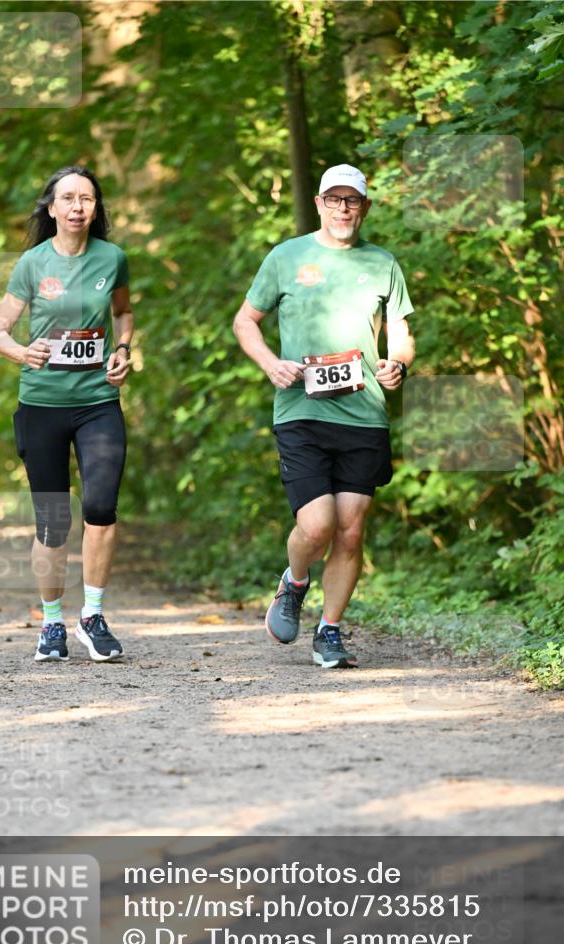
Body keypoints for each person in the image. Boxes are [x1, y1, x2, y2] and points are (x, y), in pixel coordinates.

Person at [233, 163, 414, 668]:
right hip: (301, 411)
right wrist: (271, 364)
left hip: (363, 415)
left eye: (351, 200)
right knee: (317, 527)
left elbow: (400, 331)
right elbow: (245, 322)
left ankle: (329, 631)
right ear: (318, 204)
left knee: (352, 531)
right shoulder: (286, 256)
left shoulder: (382, 262)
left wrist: (396, 363)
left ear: (365, 207)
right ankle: (294, 582)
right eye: (333, 199)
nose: (342, 208)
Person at [0, 165, 134, 662]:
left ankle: (92, 617)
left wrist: (123, 350)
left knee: (101, 509)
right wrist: (21, 353)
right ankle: (51, 624)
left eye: (87, 199)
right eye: (68, 198)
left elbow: (122, 313)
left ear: (96, 208)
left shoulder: (112, 258)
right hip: (42, 406)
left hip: (98, 405)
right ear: (51, 208)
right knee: (53, 522)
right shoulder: (32, 264)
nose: (78, 207)